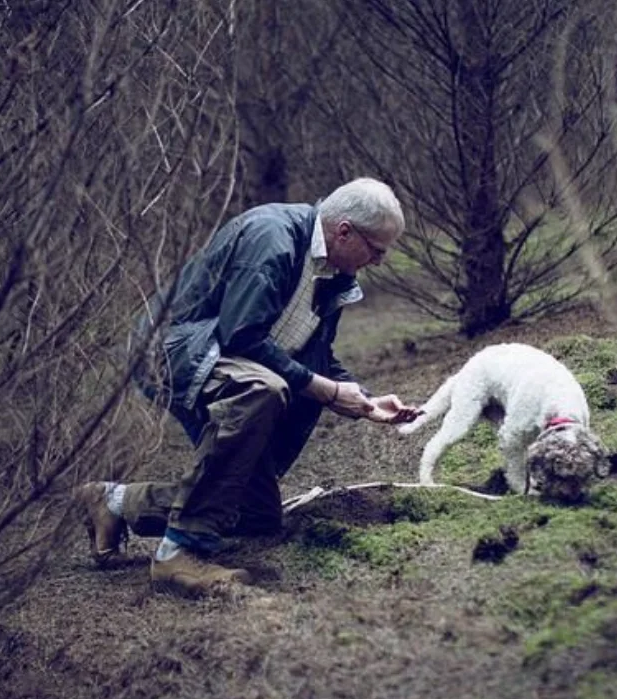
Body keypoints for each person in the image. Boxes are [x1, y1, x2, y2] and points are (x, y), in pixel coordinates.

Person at [74, 177, 421, 597]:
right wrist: (326, 392)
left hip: (229, 364)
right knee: (262, 388)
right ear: (344, 231)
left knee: (255, 514)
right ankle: (177, 554)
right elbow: (243, 336)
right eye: (377, 249)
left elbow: (315, 356)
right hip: (173, 352)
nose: (380, 261)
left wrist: (362, 398)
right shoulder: (272, 238)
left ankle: (112, 502)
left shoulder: (331, 273)